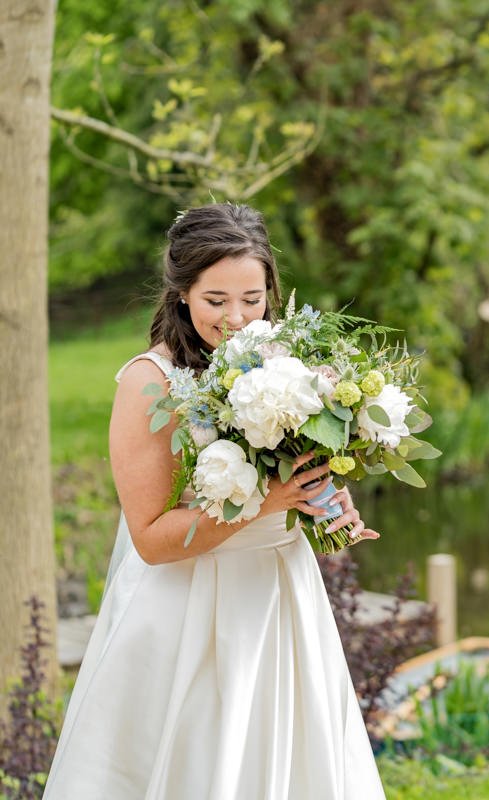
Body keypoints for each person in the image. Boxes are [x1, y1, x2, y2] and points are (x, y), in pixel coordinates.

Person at [43, 204, 387, 799]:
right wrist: (268, 501)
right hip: (192, 613)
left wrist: (326, 500)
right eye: (216, 300)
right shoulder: (149, 382)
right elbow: (150, 539)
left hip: (282, 601)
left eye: (253, 299)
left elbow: (295, 465)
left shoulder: (292, 363)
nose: (237, 318)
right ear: (181, 294)